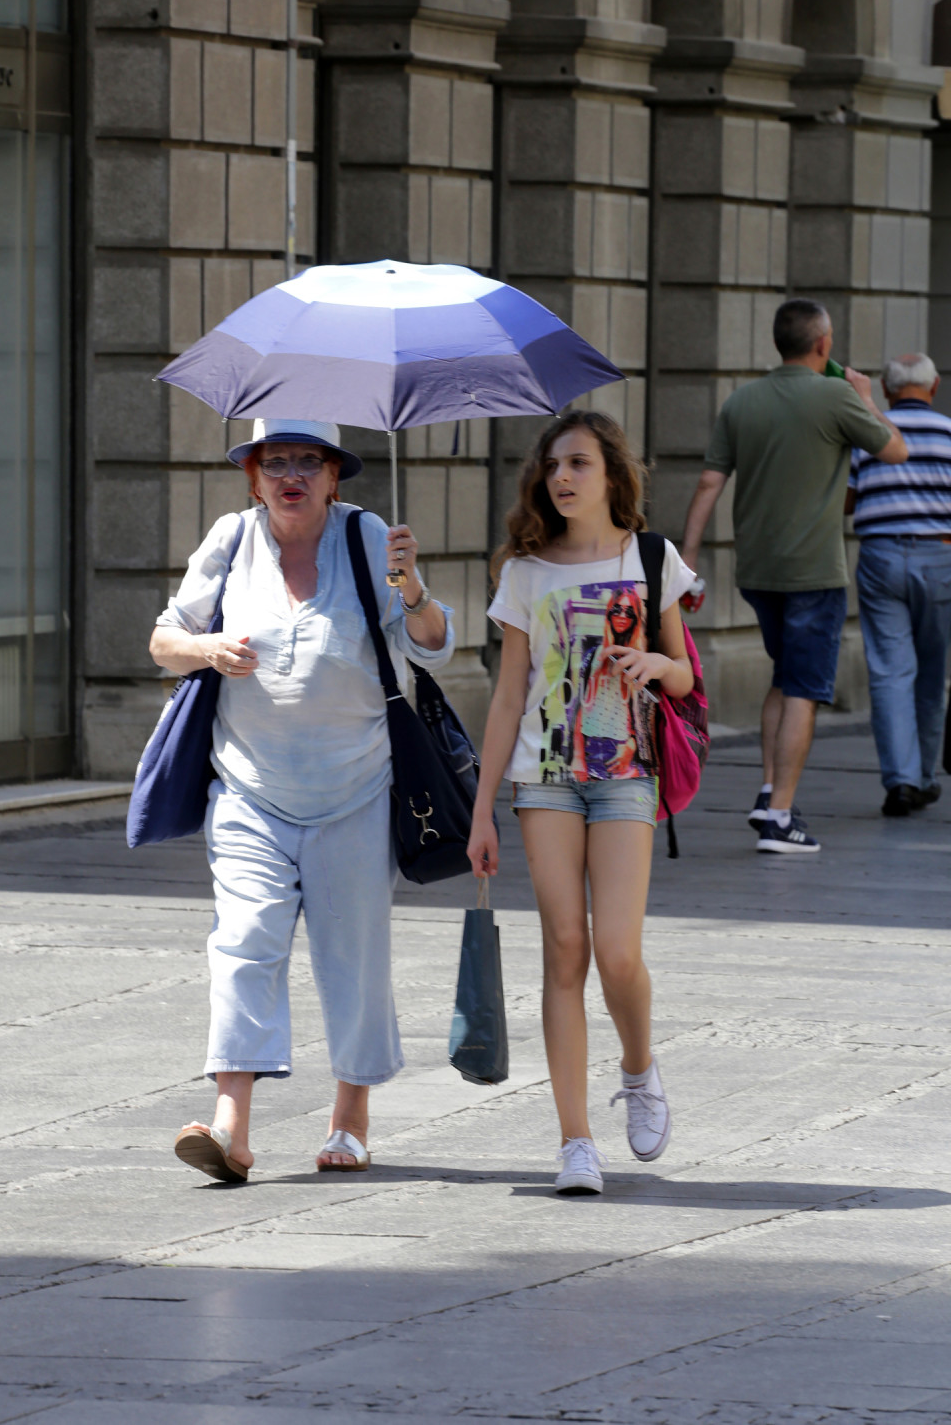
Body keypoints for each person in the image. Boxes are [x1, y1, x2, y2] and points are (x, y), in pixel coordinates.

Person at [149, 418, 453, 1182]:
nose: (290, 475)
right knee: (244, 942)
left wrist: (413, 589)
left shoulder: (367, 537)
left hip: (356, 787)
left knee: (353, 952)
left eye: (306, 462)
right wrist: (206, 650)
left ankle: (350, 1122)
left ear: (333, 476)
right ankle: (231, 1130)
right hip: (250, 788)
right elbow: (163, 641)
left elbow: (434, 642)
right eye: (273, 461)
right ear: (252, 476)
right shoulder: (231, 539)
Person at [467, 410, 696, 1196]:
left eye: (579, 464)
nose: (562, 478)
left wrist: (654, 662)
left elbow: (686, 676)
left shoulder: (652, 558)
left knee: (617, 953)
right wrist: (481, 806)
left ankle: (638, 1067)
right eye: (553, 466)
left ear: (611, 475)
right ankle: (575, 1143)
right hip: (547, 777)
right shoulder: (526, 572)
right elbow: (507, 699)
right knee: (564, 947)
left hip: (628, 772)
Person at [681, 298, 908, 856]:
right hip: (814, 571)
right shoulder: (835, 396)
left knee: (784, 677)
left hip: (757, 569)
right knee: (805, 687)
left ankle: (768, 790)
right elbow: (896, 451)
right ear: (824, 345)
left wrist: (687, 559)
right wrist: (866, 399)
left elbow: (710, 483)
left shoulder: (742, 402)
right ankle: (780, 816)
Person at [846, 354, 951, 816]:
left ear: (887, 391)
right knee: (932, 673)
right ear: (935, 387)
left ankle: (902, 781)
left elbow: (848, 500)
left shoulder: (868, 433)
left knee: (890, 672)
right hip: (941, 556)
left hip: (881, 555)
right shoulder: (950, 433)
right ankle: (924, 776)